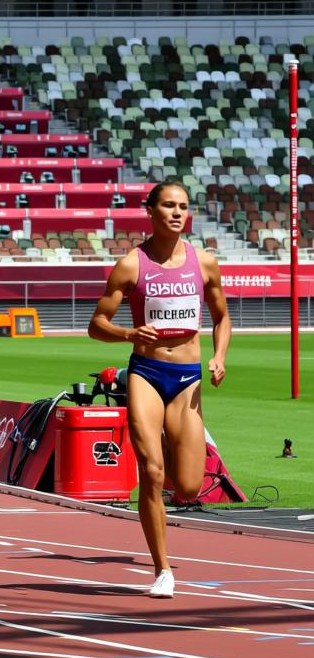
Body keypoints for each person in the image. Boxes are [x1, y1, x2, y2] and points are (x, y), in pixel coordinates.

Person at [89, 181, 229, 598]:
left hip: (188, 380)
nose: (177, 213)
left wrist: (220, 356)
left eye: (183, 206)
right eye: (168, 205)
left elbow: (222, 317)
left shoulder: (204, 263)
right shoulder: (132, 265)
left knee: (186, 488)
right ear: (149, 210)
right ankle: (162, 569)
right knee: (150, 472)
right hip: (146, 374)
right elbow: (97, 324)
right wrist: (128, 333)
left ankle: (167, 448)